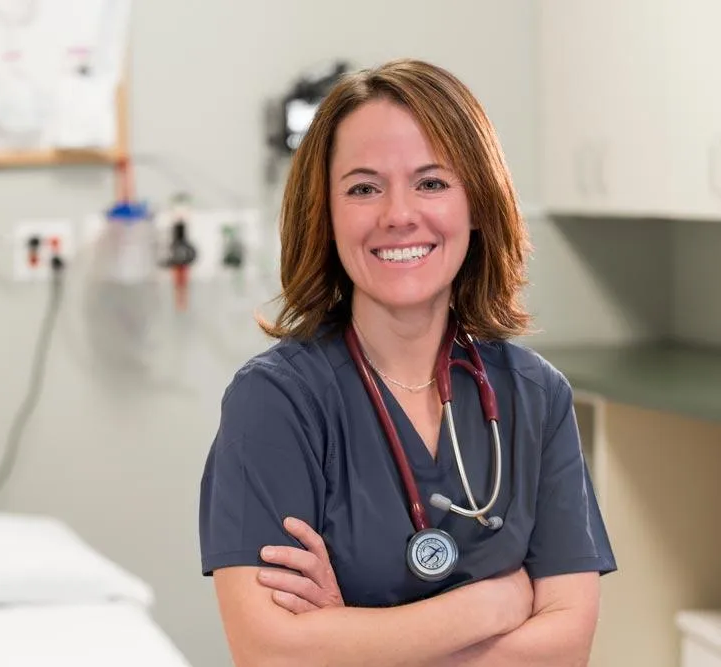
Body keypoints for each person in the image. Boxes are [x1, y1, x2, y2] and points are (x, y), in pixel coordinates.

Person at [198, 58, 616, 666]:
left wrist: (350, 639)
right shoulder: (276, 402)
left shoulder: (535, 396)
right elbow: (271, 655)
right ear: (327, 214)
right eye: (363, 188)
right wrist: (490, 606)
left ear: (477, 202)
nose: (398, 214)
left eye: (432, 182)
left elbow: (565, 647)